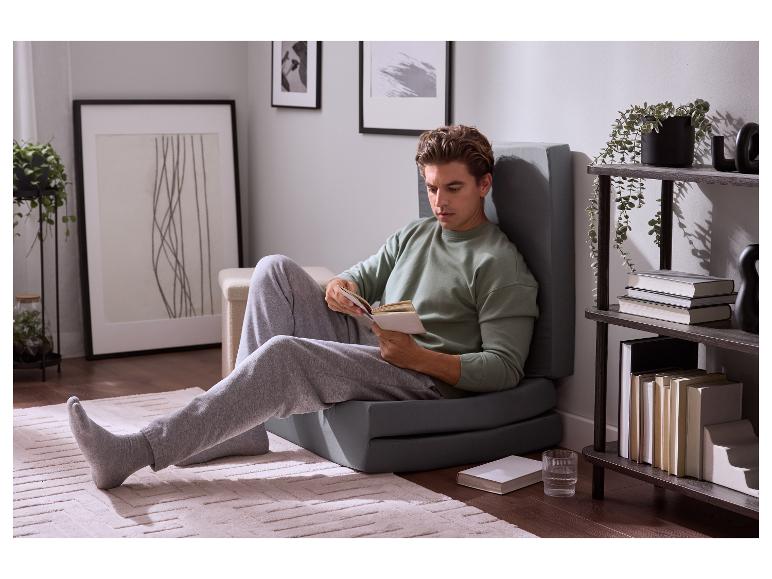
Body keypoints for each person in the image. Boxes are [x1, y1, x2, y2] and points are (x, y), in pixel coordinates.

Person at [67, 125, 539, 489]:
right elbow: (361, 275)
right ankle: (245, 431)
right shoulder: (417, 234)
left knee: (285, 354)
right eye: (432, 188)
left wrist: (418, 358)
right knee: (274, 269)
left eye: (452, 188)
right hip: (376, 345)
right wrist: (341, 285)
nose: (439, 201)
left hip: (423, 376)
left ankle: (137, 450)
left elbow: (504, 368)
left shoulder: (500, 265)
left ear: (484, 185)